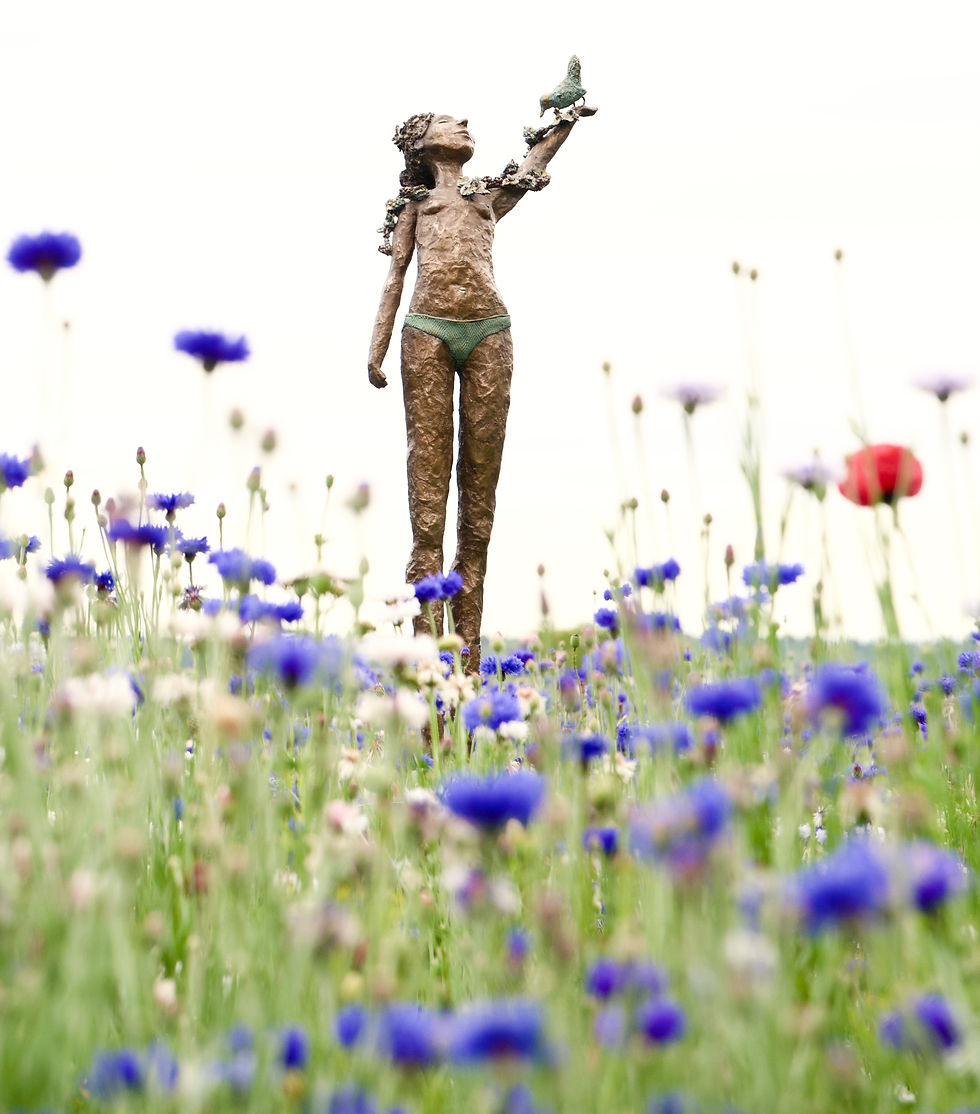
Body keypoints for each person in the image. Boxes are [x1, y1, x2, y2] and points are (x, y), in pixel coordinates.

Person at [368, 107, 593, 666]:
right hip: (427, 334)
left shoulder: (485, 197)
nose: (464, 122)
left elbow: (534, 162)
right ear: (421, 144)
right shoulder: (416, 209)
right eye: (448, 121)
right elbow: (396, 276)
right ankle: (429, 671)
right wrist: (375, 349)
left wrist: (564, 118)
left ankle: (466, 668)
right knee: (428, 509)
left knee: (478, 512)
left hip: (489, 332)